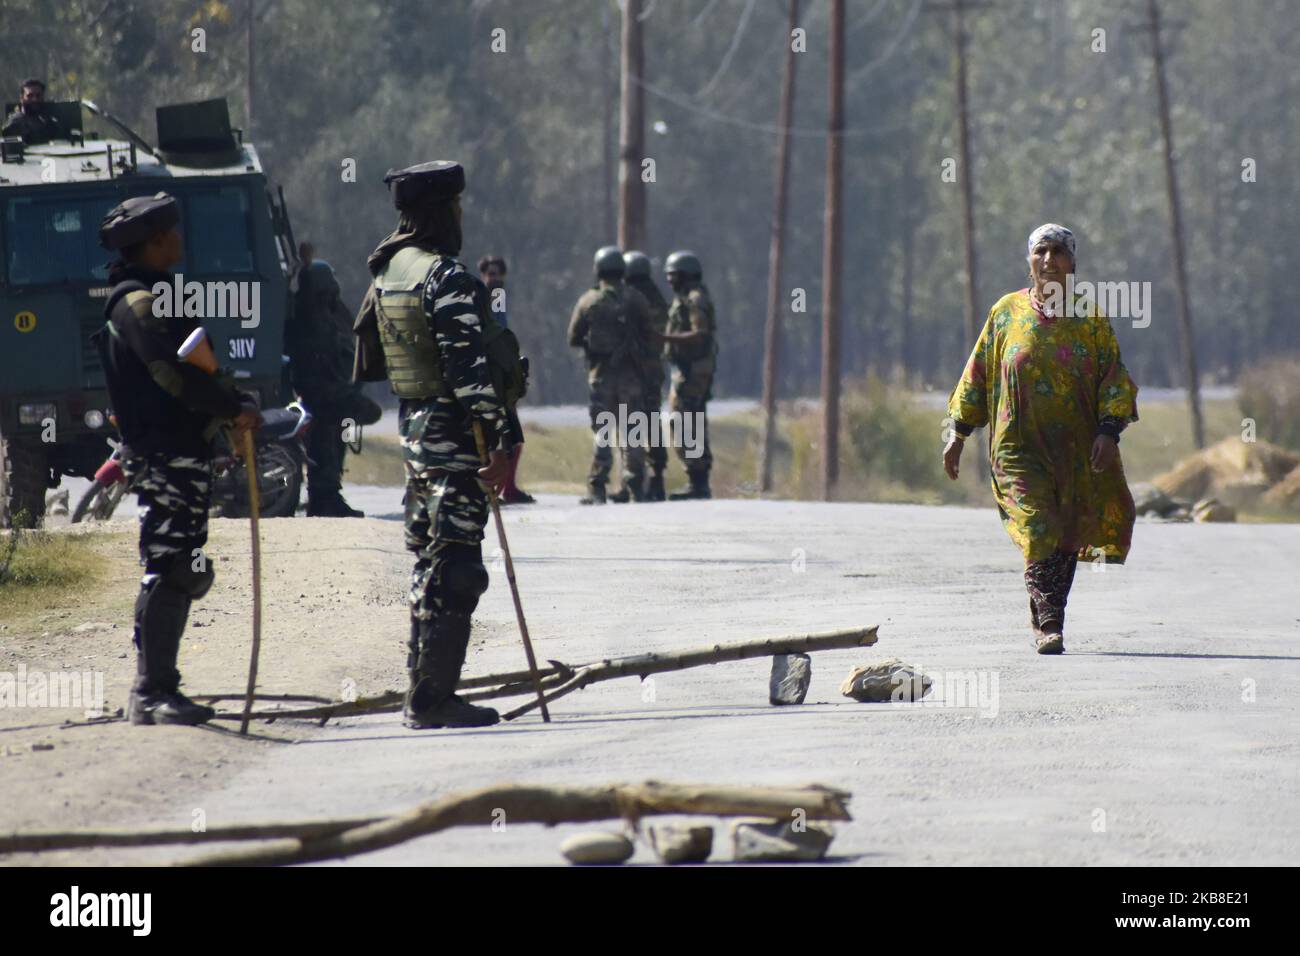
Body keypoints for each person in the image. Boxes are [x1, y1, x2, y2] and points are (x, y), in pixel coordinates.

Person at [353, 160, 515, 729]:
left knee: (430, 560)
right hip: (452, 435)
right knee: (456, 566)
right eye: (457, 208)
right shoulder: (444, 277)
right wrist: (498, 437)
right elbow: (468, 372)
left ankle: (420, 692)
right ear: (443, 211)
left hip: (415, 432)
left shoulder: (390, 269)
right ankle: (432, 700)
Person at [93, 193, 261, 725]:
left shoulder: (154, 296)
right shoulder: (139, 303)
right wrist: (232, 407)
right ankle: (151, 692)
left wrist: (233, 403)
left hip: (179, 452)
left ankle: (161, 687)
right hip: (164, 454)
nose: (179, 241)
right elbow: (173, 373)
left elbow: (195, 364)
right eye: (172, 232)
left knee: (181, 564)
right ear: (155, 241)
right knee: (170, 568)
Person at [943, 223, 1138, 655]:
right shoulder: (1006, 314)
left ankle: (1049, 616)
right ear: (1030, 262)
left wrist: (1109, 431)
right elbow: (977, 375)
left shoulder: (1090, 320)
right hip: (1017, 448)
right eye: (1041, 252)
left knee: (1065, 534)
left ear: (1073, 263)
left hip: (1076, 450)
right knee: (1037, 526)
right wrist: (957, 433)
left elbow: (1113, 381)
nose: (1049, 260)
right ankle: (1048, 620)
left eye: (1058, 253)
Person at [286, 244, 381, 516]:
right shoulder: (310, 318)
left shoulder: (326, 314)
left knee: (338, 437)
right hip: (322, 395)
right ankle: (324, 497)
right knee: (327, 441)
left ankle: (328, 494)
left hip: (333, 392)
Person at [566, 245, 653, 505]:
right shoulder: (636, 299)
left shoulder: (588, 301)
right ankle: (635, 484)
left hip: (601, 376)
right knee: (633, 430)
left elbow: (573, 337)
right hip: (631, 378)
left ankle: (598, 486)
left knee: (603, 430)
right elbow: (649, 334)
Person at [661, 250, 717, 500]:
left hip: (693, 371)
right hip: (687, 369)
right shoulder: (685, 298)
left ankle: (698, 480)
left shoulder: (695, 299)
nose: (670, 281)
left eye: (673, 276)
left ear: (685, 276)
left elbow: (700, 333)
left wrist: (664, 339)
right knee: (687, 421)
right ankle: (697, 480)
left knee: (685, 422)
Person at [478, 254, 534, 505]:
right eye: (490, 273)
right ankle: (496, 489)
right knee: (500, 437)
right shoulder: (486, 296)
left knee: (513, 438)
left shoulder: (497, 297)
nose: (494, 278)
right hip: (489, 376)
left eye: (497, 273)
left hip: (501, 373)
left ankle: (507, 488)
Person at [621, 250, 670, 502]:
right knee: (652, 422)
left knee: (631, 423)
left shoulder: (629, 299)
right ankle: (658, 478)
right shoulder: (659, 300)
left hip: (633, 371)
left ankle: (633, 480)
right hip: (653, 370)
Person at [2, 79, 66, 144]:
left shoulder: (49, 122)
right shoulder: (15, 124)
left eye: (38, 95)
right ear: (21, 98)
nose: (34, 99)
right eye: (29, 96)